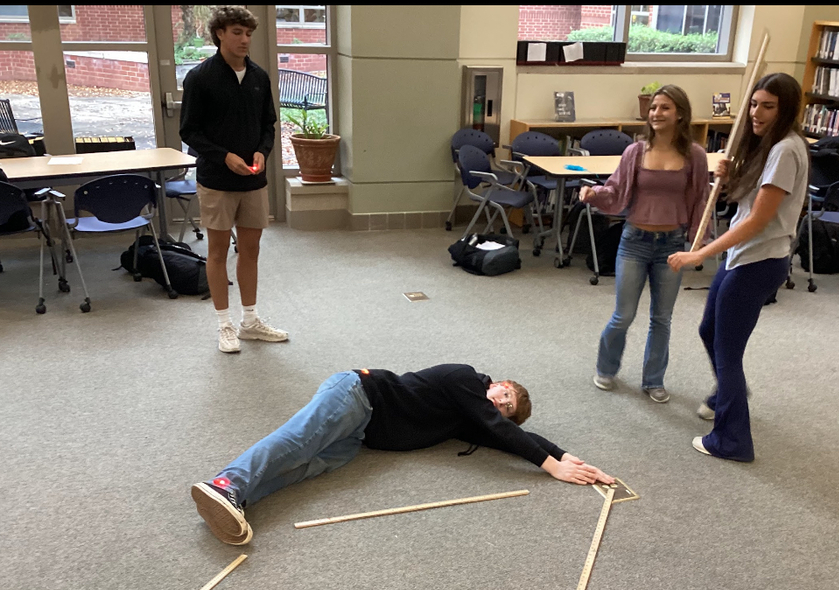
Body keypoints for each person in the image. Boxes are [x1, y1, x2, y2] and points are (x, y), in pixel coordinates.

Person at [191, 364, 615, 545]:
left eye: (507, 408)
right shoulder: (465, 378)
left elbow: (503, 437)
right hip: (358, 395)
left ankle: (237, 500)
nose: (500, 405)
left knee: (308, 465)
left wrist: (563, 454)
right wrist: (554, 467)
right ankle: (226, 483)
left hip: (359, 435)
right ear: (496, 381)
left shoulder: (466, 417)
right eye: (504, 396)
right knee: (297, 442)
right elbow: (495, 426)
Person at [667, 73, 809, 462]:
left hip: (759, 262)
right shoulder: (772, 147)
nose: (757, 113)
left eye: (768, 106)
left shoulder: (785, 150)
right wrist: (734, 180)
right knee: (710, 329)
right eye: (755, 104)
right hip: (743, 258)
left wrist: (700, 254)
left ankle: (731, 441)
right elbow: (752, 203)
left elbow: (757, 221)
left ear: (786, 110)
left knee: (728, 352)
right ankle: (729, 392)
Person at [579, 85, 710, 404]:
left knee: (662, 317)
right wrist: (594, 193)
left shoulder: (695, 154)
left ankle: (653, 380)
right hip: (634, 241)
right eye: (653, 108)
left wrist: (698, 245)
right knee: (623, 314)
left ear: (679, 112)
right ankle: (606, 368)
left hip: (672, 244)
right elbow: (615, 189)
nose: (656, 113)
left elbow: (700, 201)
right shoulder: (635, 152)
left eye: (664, 107)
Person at [180, 6, 285, 354]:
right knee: (217, 252)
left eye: (248, 33)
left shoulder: (259, 76)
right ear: (220, 34)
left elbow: (268, 124)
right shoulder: (200, 78)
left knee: (251, 251)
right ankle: (224, 324)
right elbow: (189, 131)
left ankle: (250, 321)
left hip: (253, 181)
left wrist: (261, 152)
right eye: (238, 32)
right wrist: (225, 156)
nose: (245, 40)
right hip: (217, 181)